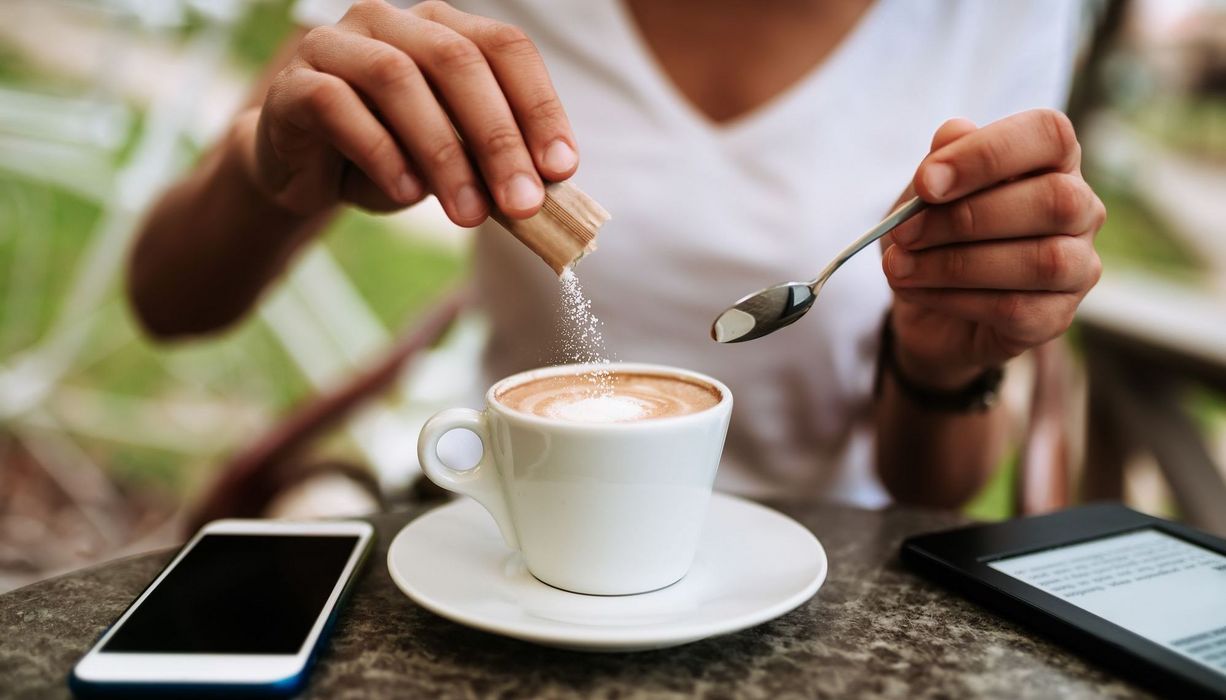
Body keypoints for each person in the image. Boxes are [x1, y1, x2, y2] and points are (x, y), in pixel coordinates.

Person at [128, 0, 1104, 509]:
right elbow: (167, 299)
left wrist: (944, 362)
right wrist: (266, 178)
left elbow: (927, 486)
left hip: (817, 583)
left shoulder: (1000, 12)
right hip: (512, 541)